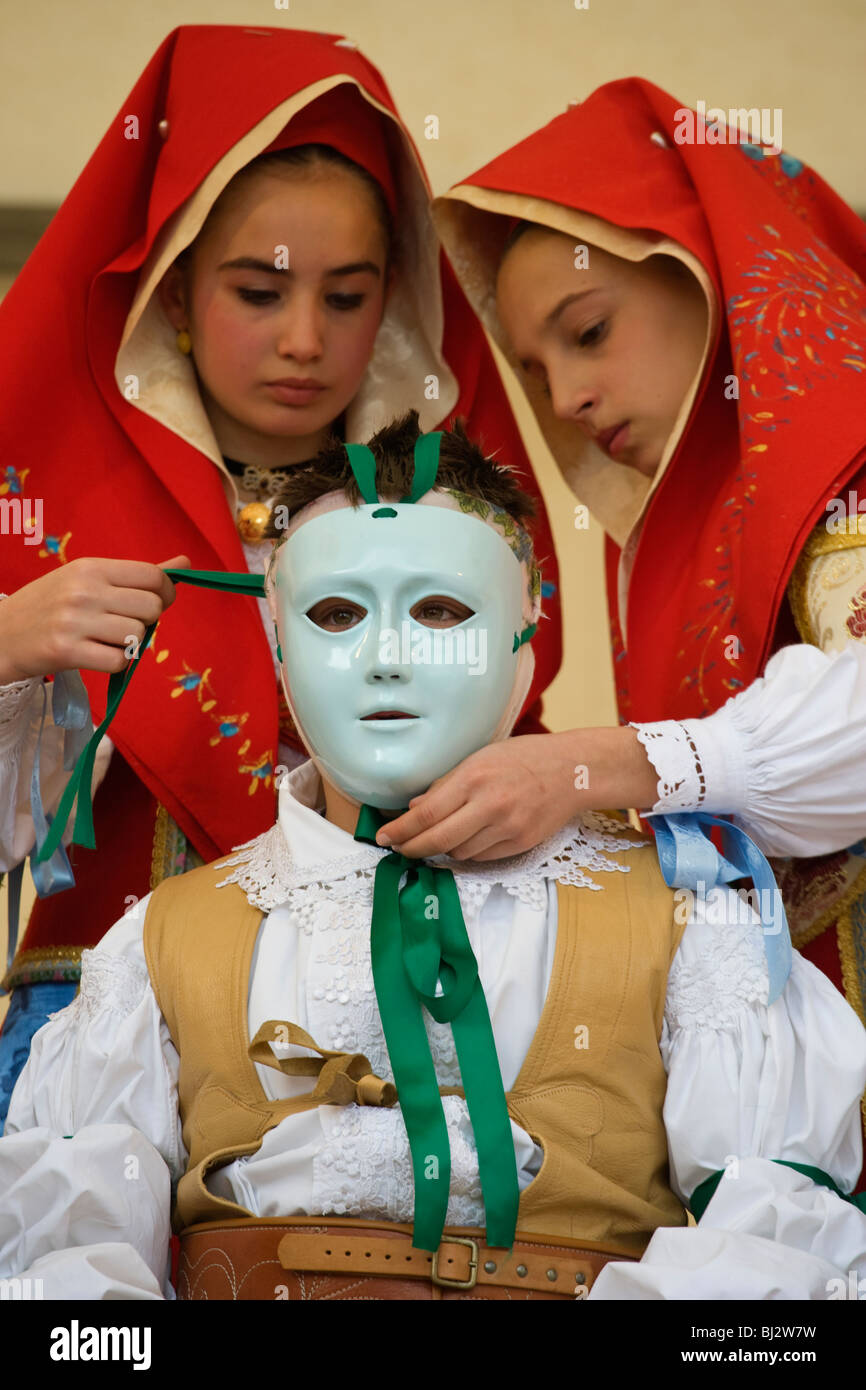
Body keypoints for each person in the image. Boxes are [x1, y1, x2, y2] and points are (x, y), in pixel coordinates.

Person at [2, 415, 864, 1302]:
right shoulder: (156, 949)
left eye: (441, 610)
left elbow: (779, 1255)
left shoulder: (689, 919)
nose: (387, 658)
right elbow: (71, 1277)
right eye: (337, 613)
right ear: (277, 644)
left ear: (528, 628)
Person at [0, 24, 562, 1115]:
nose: (303, 338)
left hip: (391, 1033)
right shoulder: (46, 528)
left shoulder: (451, 520)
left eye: (345, 298)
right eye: (258, 292)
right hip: (96, 1035)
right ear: (170, 293)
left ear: (393, 300)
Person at [371, 78, 866, 1060]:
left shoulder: (843, 475)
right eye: (538, 372)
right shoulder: (675, 537)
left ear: (704, 270)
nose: (569, 397)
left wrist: (581, 766)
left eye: (587, 332)